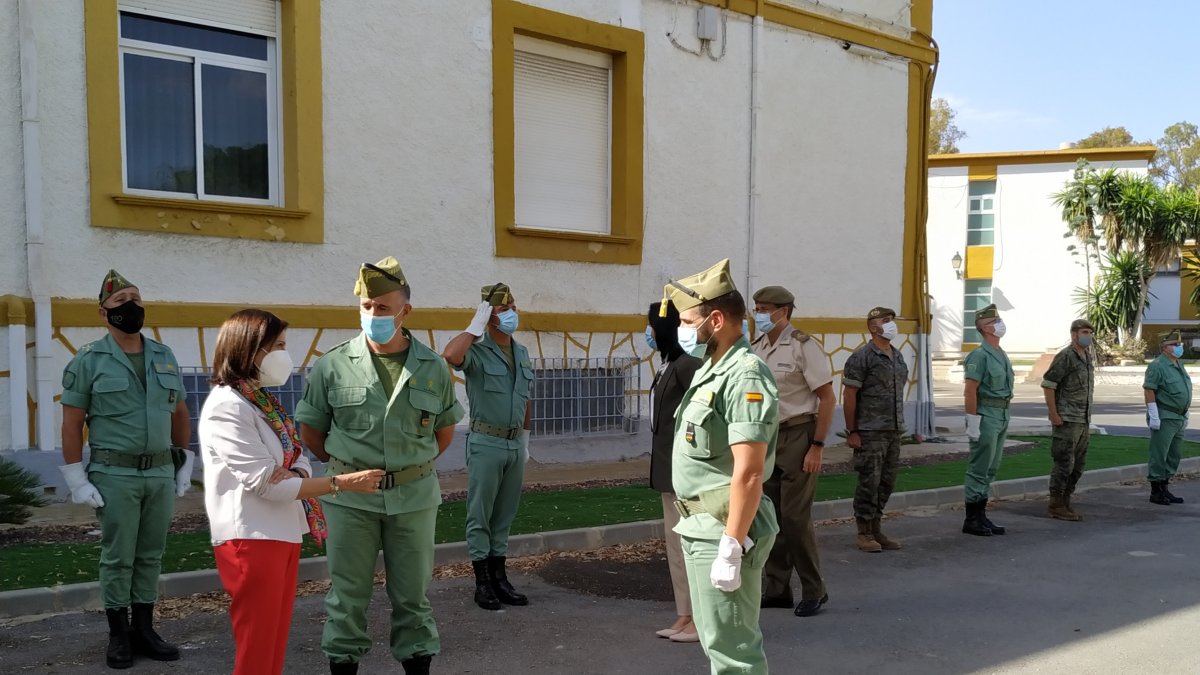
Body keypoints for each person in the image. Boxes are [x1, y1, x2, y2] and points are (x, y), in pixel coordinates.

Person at [296, 257, 465, 675]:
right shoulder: (332, 365)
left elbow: (442, 433)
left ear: (405, 311)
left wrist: (405, 468)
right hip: (350, 498)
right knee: (347, 596)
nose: (373, 315)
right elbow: (312, 432)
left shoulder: (432, 367)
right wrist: (348, 472)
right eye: (367, 307)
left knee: (412, 596)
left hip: (413, 497)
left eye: (383, 308)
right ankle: (344, 663)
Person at [199, 309, 384, 675]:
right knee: (257, 647)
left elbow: (296, 457)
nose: (286, 355)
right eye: (277, 346)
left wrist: (293, 472)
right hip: (251, 537)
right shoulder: (227, 406)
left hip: (279, 532)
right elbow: (267, 482)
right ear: (250, 349)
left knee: (272, 641)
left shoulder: (260, 401)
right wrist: (341, 483)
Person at [58, 270, 192, 669]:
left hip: (159, 473)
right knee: (118, 556)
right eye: (121, 302)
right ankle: (119, 634)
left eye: (135, 297)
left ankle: (145, 630)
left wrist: (185, 460)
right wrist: (74, 477)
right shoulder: (88, 359)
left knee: (151, 553)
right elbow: (71, 422)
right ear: (104, 313)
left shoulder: (163, 355)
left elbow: (180, 410)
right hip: (114, 474)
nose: (131, 305)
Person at [663, 258, 779, 675]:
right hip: (700, 525)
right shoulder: (712, 368)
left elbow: (749, 471)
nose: (683, 330)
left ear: (715, 319)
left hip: (724, 529)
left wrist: (731, 545)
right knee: (718, 644)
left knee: (734, 653)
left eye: (688, 321)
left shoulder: (745, 375)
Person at [441, 283, 534, 611]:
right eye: (502, 309)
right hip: (486, 441)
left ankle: (500, 577)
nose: (511, 313)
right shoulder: (477, 351)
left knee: (504, 514)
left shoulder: (521, 352)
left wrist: (525, 439)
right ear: (488, 316)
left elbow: (526, 399)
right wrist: (473, 328)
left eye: (512, 306)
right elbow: (451, 356)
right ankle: (482, 582)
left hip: (512, 444)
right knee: (480, 514)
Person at [750, 286, 833, 616]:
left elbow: (827, 397)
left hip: (799, 434)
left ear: (783, 311)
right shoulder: (757, 347)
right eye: (756, 308)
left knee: (796, 518)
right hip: (767, 436)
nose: (759, 314)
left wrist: (818, 446)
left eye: (765, 308)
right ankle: (777, 588)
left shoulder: (802, 345)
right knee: (771, 515)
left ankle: (815, 588)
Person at [645, 301, 703, 642]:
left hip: (686, 474)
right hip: (668, 473)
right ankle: (685, 613)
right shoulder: (670, 364)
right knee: (676, 547)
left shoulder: (688, 365)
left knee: (691, 549)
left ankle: (700, 617)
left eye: (651, 326)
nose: (648, 333)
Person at [841, 307, 908, 553]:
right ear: (873, 327)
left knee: (887, 482)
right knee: (869, 481)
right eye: (885, 320)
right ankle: (864, 532)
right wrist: (853, 431)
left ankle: (877, 527)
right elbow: (849, 396)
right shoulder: (862, 357)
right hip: (870, 432)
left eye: (892, 320)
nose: (891, 324)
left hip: (892, 430)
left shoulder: (897, 356)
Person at [961, 304, 1013, 537]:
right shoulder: (979, 355)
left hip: (1001, 414)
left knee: (991, 467)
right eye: (996, 320)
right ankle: (971, 518)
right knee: (979, 467)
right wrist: (972, 422)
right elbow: (970, 391)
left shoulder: (1000, 353)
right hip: (986, 414)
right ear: (985, 327)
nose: (1000, 323)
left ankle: (981, 515)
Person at [1040, 319, 1095, 521]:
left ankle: (1066, 499)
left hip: (1083, 418)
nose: (1088, 335)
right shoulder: (1066, 356)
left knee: (1079, 464)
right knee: (1064, 462)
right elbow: (1048, 384)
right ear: (1074, 334)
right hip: (1067, 418)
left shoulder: (1086, 356)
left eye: (1089, 332)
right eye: (1084, 332)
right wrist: (1053, 413)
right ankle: (1056, 504)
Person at [1143, 331, 1192, 506]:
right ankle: (1156, 491)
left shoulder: (1178, 364)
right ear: (1164, 347)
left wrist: (1185, 411)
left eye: (1179, 344)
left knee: (1174, 455)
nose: (1179, 347)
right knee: (1159, 454)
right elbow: (1149, 390)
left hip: (1178, 416)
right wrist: (1154, 414)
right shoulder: (1157, 366)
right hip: (1165, 415)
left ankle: (1165, 487)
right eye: (1174, 345)